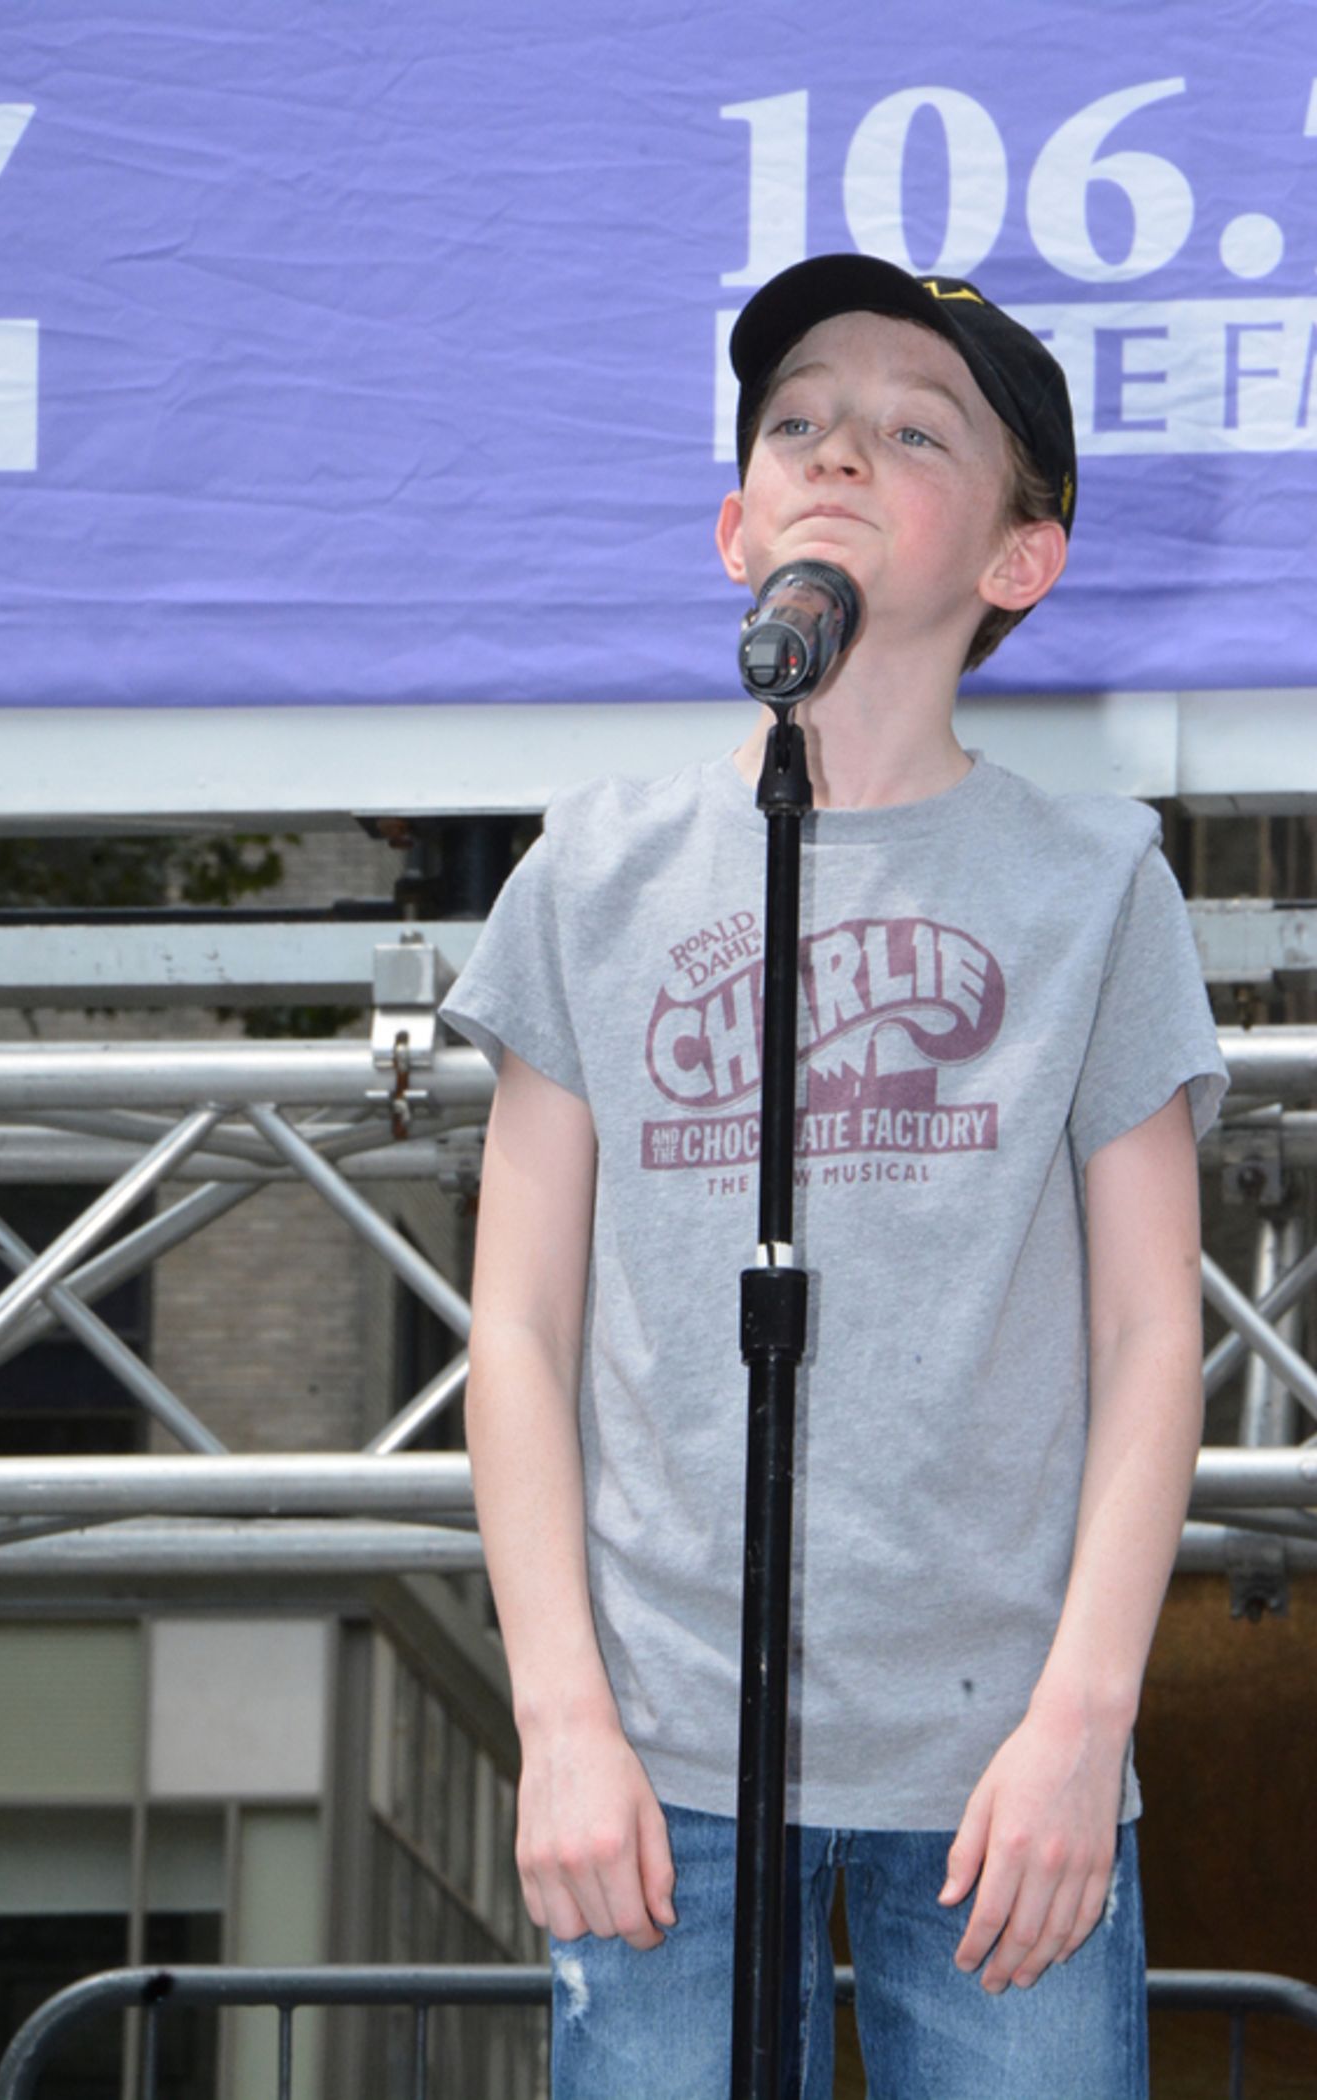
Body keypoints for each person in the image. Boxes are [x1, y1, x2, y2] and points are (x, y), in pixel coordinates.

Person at [440, 254, 1228, 2098]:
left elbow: (1146, 1341)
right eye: (795, 420)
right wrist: (559, 1722)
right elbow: (521, 1326)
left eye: (909, 429)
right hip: (660, 1769)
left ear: (1019, 558)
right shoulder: (593, 873)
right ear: (735, 526)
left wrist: (1078, 1730)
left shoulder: (1095, 881)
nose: (837, 450)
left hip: (997, 1770)